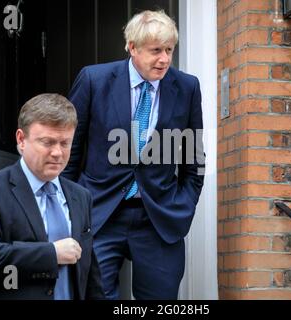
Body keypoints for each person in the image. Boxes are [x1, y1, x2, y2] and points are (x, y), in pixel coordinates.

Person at [64, 10, 205, 299]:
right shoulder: (94, 80)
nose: (164, 59)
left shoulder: (187, 87)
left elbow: (194, 158)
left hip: (159, 219)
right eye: (156, 51)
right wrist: (71, 211)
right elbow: (69, 150)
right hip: (100, 215)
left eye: (169, 50)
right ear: (132, 47)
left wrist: (184, 204)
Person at [0, 94, 104, 300]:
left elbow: (88, 271)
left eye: (65, 143)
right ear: (21, 140)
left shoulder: (81, 196)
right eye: (47, 142)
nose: (58, 153)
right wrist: (51, 254)